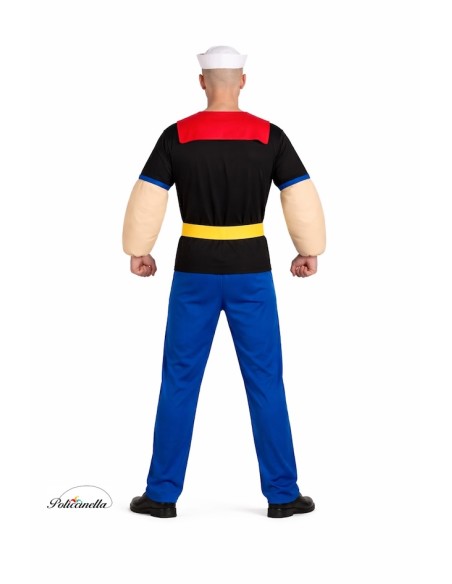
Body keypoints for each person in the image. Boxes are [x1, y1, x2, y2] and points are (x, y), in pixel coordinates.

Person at [122, 45, 326, 519]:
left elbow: (148, 196)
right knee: (265, 380)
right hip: (251, 269)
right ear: (243, 82)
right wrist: (308, 249)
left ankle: (161, 495)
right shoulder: (269, 136)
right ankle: (282, 495)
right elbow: (300, 196)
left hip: (193, 268)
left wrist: (139, 249)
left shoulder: (177, 135)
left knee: (179, 379)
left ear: (202, 82)